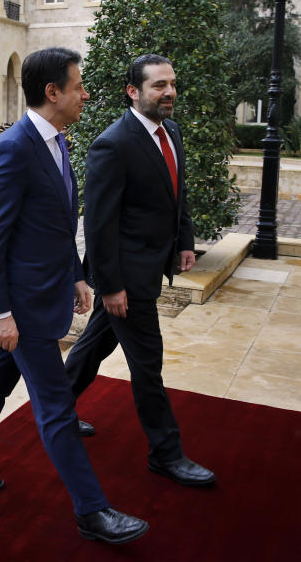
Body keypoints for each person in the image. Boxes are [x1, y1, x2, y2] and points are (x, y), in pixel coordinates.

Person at [0, 48, 148, 545]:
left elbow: (53, 226)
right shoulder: (12, 148)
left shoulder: (57, 142)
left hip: (43, 293)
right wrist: (0, 312)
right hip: (21, 307)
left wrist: (75, 275)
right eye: (78, 86)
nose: (85, 94)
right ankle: (92, 511)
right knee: (55, 405)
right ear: (52, 92)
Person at [66, 54, 216, 488]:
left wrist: (184, 240)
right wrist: (110, 287)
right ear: (133, 91)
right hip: (127, 279)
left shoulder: (171, 131)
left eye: (171, 84)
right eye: (158, 86)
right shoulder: (113, 143)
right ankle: (166, 453)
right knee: (148, 365)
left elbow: (176, 193)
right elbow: (99, 223)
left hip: (151, 265)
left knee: (93, 347)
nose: (169, 92)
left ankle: (53, 409)